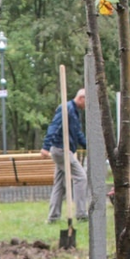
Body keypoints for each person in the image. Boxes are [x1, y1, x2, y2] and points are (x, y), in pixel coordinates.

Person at [40, 88, 88, 223]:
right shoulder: (66, 109)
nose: (87, 106)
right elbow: (54, 126)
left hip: (64, 150)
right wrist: (45, 147)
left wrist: (88, 146)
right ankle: (81, 213)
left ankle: (53, 217)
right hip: (61, 150)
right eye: (87, 102)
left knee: (59, 184)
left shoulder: (75, 112)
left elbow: (77, 133)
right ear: (81, 98)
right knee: (81, 177)